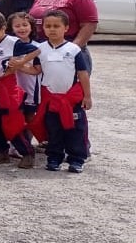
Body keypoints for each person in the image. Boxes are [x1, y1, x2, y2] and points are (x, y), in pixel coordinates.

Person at [31, 10, 92, 173]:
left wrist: (87, 96)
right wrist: (18, 67)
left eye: (56, 26)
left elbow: (82, 74)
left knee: (75, 129)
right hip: (51, 99)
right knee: (54, 129)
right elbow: (36, 70)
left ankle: (76, 159)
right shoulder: (40, 49)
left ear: (66, 28)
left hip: (70, 98)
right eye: (48, 26)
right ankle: (54, 158)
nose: (52, 29)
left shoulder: (73, 50)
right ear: (43, 28)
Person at [0, 10, 38, 169]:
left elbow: (36, 50)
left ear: (3, 28)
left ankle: (26, 152)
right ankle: (0, 151)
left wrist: (20, 63)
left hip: (8, 85)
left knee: (12, 120)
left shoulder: (14, 42)